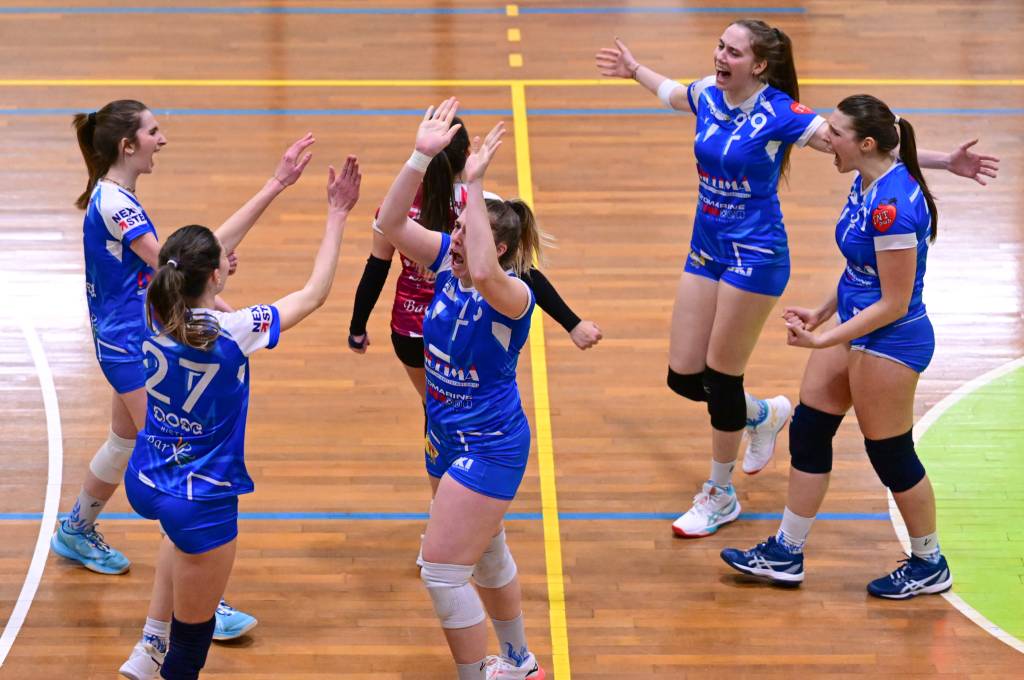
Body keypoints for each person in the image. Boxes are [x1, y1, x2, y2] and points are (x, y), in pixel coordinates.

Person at [596, 21, 1001, 538]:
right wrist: (634, 70)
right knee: (684, 375)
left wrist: (944, 162)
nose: (720, 56)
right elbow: (672, 92)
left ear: (759, 65)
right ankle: (762, 415)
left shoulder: (780, 113)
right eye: (720, 46)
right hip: (706, 248)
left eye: (733, 52)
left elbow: (865, 150)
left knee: (722, 377)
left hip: (756, 254)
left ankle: (719, 494)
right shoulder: (708, 94)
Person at [53, 99, 315, 678]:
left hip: (125, 339)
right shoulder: (118, 206)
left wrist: (274, 188)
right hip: (134, 350)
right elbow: (181, 265)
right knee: (180, 473)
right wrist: (224, 305)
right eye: (153, 131)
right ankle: (175, 619)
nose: (162, 138)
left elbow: (186, 266)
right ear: (128, 146)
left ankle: (76, 528)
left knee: (125, 443)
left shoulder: (113, 194)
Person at [720, 95, 997, 598]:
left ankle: (929, 562)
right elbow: (859, 269)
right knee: (809, 430)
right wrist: (823, 313)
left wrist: (824, 338)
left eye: (836, 133)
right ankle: (786, 551)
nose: (827, 140)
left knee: (889, 453)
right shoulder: (865, 179)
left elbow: (893, 302)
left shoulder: (893, 209)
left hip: (891, 339)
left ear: (866, 143)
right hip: (853, 324)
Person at [122, 155, 361, 679]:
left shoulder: (152, 306)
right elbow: (313, 295)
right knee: (194, 639)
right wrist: (337, 214)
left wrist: (276, 184)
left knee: (175, 540)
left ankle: (148, 647)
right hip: (201, 496)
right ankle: (164, 653)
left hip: (146, 475)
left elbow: (192, 257)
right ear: (215, 273)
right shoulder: (232, 330)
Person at [376, 98, 544, 680]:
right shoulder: (449, 266)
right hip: (444, 433)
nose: (453, 243)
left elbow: (488, 271)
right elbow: (390, 225)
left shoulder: (512, 295)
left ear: (499, 248)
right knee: (488, 552)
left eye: (465, 235)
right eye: (455, 232)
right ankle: (519, 661)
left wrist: (473, 182)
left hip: (491, 446)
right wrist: (418, 159)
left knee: (442, 573)